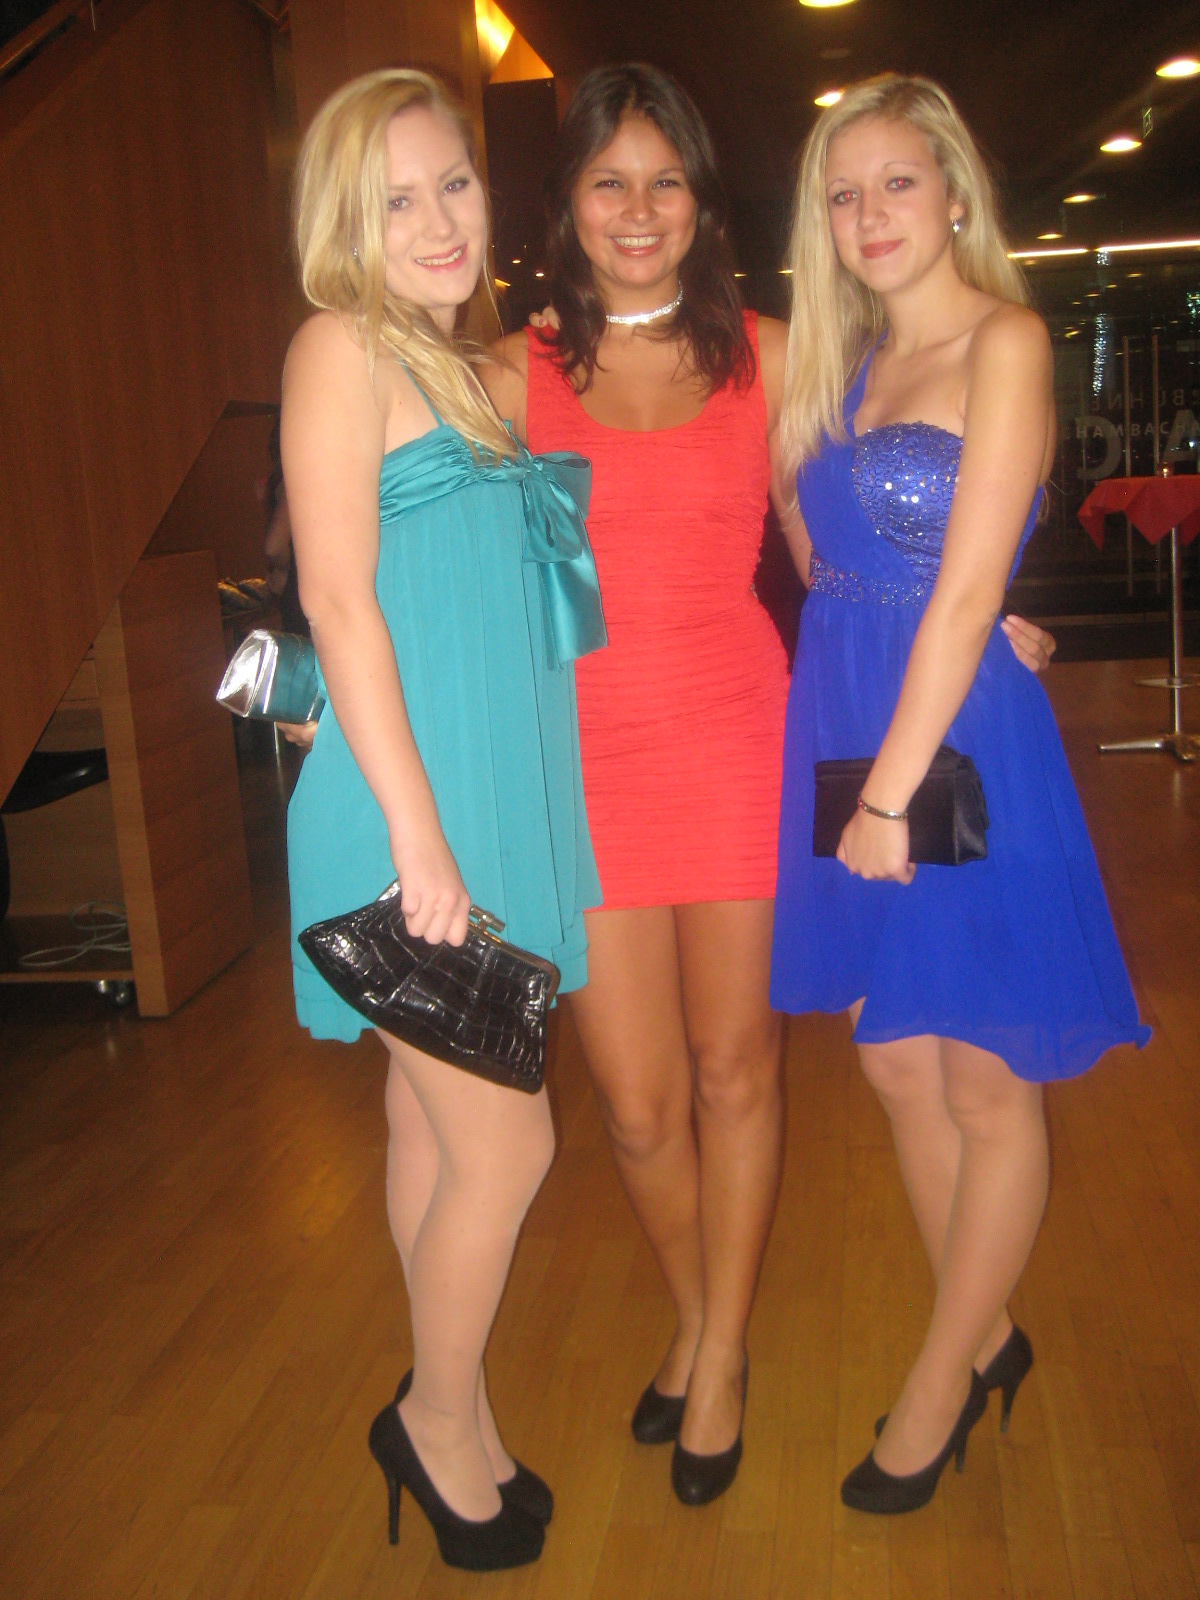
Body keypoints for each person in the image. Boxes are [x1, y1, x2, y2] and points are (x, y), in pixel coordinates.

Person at [483, 64, 1057, 1508]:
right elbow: (447, 560)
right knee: (635, 1105)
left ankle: (723, 1353)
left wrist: (985, 617)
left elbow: (841, 541)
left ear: (703, 204)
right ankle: (696, 1313)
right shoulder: (509, 373)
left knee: (741, 1069)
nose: (638, 209)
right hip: (585, 761)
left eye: (665, 181)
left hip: (744, 741)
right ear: (566, 204)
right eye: (608, 182)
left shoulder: (777, 358)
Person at [769, 74, 1149, 1515]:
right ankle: (984, 1336)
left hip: (952, 746)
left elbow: (972, 578)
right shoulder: (841, 363)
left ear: (953, 193)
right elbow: (835, 554)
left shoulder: (1009, 338)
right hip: (851, 717)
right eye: (843, 193)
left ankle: (940, 1385)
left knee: (982, 1070)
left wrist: (893, 792)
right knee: (888, 1055)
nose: (870, 214)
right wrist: (918, 643)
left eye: (896, 183)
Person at [281, 69, 604, 1570]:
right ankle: (431, 1417)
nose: (434, 220)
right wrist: (421, 840)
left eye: (453, 184)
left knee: (429, 1118)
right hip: (403, 824)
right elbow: (337, 598)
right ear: (342, 220)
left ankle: (455, 1417)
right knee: (510, 1147)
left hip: (476, 803)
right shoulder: (339, 345)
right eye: (394, 197)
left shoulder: (471, 365)